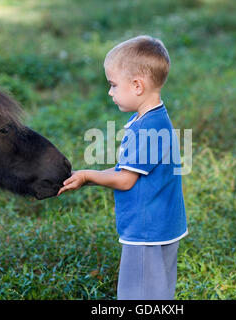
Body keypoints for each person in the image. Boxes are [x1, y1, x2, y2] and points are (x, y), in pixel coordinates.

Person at [58, 35, 188, 300]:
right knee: (158, 294)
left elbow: (126, 180)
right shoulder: (152, 119)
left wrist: (87, 174)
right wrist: (85, 177)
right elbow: (124, 170)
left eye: (113, 85)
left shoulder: (148, 129)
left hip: (146, 231)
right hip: (159, 226)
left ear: (137, 85)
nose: (110, 92)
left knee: (137, 296)